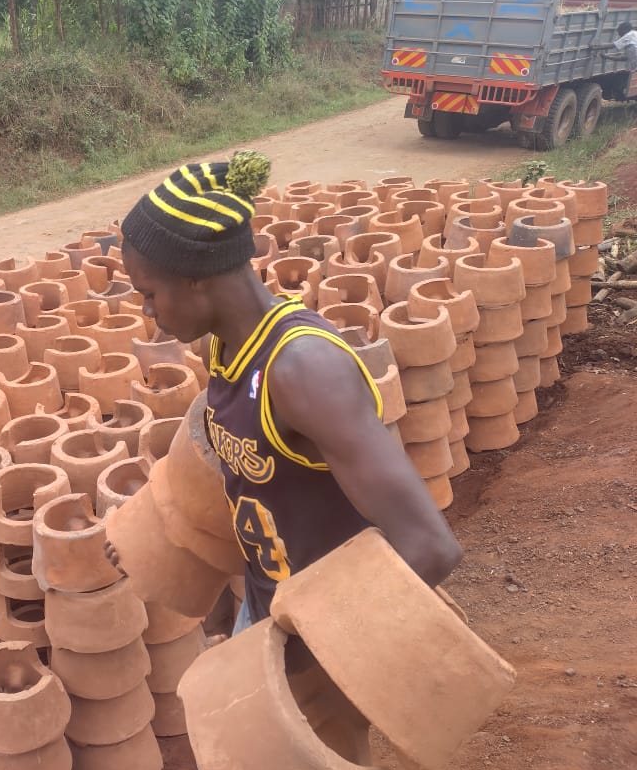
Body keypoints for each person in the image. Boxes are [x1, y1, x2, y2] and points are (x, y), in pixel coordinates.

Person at [118, 154, 463, 632]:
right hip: (268, 606)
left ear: (195, 277)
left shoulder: (302, 370)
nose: (146, 311)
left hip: (323, 633)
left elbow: (430, 548)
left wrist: (306, 651)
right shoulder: (223, 346)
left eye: (149, 293)